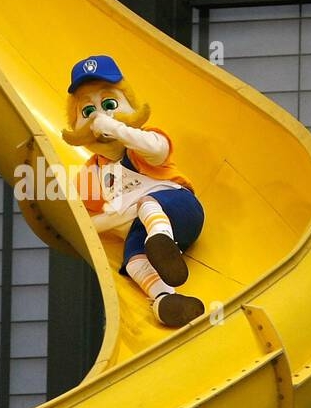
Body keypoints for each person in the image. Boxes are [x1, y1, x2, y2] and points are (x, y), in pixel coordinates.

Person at [61, 55, 206, 327]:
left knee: (147, 203)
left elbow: (157, 149)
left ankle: (161, 238)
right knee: (133, 259)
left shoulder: (140, 145)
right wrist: (118, 218)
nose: (98, 119)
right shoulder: (91, 174)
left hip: (181, 210)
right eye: (88, 112)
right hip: (141, 229)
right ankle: (164, 300)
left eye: (109, 104)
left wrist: (115, 127)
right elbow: (84, 223)